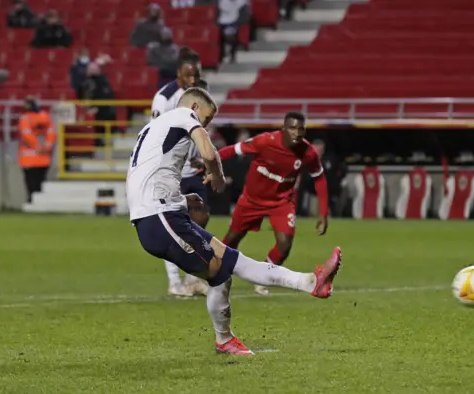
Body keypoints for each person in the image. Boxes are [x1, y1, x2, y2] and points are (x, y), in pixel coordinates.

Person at [126, 87, 342, 355]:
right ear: (194, 108)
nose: (205, 126)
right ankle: (224, 340)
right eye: (205, 119)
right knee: (219, 271)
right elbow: (208, 152)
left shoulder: (152, 128)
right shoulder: (183, 116)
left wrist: (181, 200)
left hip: (162, 213)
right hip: (158, 218)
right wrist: (216, 173)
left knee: (233, 260)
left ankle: (310, 282)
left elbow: (144, 178)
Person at [218, 112, 330, 296]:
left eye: (301, 129)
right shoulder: (265, 141)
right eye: (292, 128)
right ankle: (214, 275)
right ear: (283, 129)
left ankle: (264, 278)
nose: (297, 133)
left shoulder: (308, 152)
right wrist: (209, 162)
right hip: (251, 200)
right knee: (231, 240)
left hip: (281, 203)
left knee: (284, 245)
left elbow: (319, 178)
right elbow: (233, 150)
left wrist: (323, 213)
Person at [151, 47, 209, 297]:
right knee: (172, 225)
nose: (192, 81)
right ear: (178, 73)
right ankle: (174, 282)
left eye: (195, 76)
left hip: (193, 170)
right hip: (170, 171)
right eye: (188, 76)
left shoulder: (200, 95)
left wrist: (203, 157)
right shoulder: (164, 98)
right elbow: (155, 133)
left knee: (200, 221)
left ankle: (191, 279)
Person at [18, 96, 55, 203]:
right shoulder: (45, 116)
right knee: (41, 182)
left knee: (31, 183)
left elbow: (27, 134)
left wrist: (37, 146)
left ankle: (32, 202)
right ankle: (40, 203)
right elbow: (51, 133)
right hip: (44, 157)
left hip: (28, 158)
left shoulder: (25, 118)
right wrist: (47, 146)